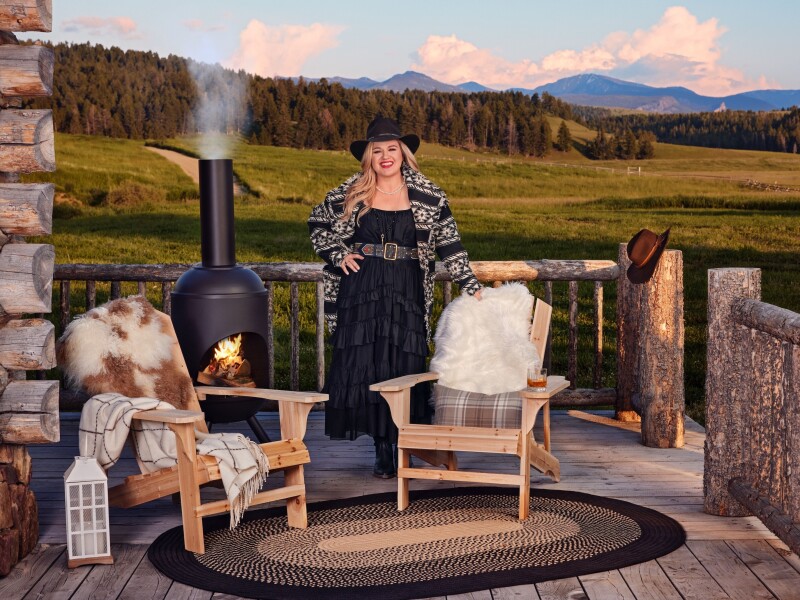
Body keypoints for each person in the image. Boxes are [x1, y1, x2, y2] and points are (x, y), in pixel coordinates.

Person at [308, 116, 482, 478]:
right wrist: (339, 255)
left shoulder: (430, 196)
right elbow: (317, 224)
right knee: (369, 364)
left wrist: (472, 286)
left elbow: (451, 246)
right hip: (363, 288)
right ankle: (382, 447)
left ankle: (403, 438)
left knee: (402, 364)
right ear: (368, 158)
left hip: (407, 286)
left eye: (391, 149)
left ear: (403, 154)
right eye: (377, 151)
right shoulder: (350, 193)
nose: (385, 156)